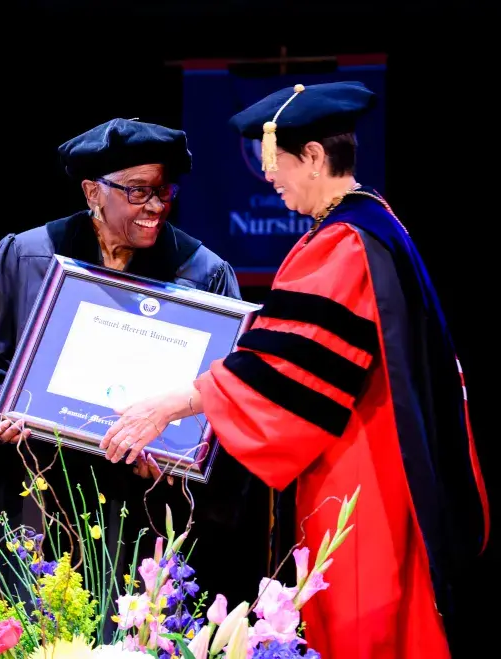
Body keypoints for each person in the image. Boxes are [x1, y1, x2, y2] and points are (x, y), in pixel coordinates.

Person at [99, 81, 491, 657]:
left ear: (312, 157)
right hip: (382, 458)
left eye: (276, 164)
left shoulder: (343, 244)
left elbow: (284, 366)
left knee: (362, 625)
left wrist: (169, 406)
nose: (270, 179)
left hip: (362, 477)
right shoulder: (381, 225)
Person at [0, 118, 248, 622]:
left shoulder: (201, 274)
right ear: (93, 191)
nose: (155, 206)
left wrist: (185, 456)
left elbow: (225, 395)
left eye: (163, 191)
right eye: (138, 192)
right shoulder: (30, 255)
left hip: (148, 502)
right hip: (43, 494)